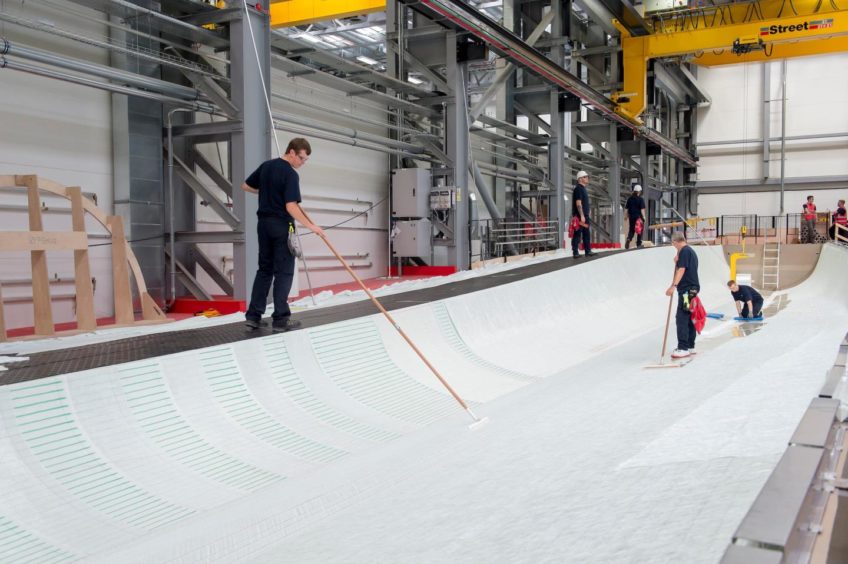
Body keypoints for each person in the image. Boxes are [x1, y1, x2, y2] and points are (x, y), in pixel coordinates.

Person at [242, 138, 324, 332]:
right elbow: (291, 206)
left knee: (264, 270)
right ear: (292, 152)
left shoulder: (266, 166)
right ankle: (280, 318)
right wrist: (312, 226)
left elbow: (245, 186)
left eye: (305, 160)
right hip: (281, 225)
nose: (302, 163)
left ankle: (253, 316)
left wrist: (268, 193)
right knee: (284, 271)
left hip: (263, 225)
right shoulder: (290, 174)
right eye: (301, 159)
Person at [665, 232, 700, 359]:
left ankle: (683, 347)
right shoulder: (690, 251)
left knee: (682, 317)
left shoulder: (685, 251)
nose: (675, 247)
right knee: (689, 316)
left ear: (675, 242)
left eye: (674, 245)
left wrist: (673, 286)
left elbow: (681, 270)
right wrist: (677, 258)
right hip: (692, 289)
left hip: (687, 290)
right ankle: (690, 346)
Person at [571, 170, 595, 258]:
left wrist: (587, 211)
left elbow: (583, 202)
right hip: (580, 217)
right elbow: (578, 203)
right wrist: (581, 215)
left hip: (584, 216)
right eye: (585, 177)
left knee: (586, 233)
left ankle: (588, 251)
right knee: (577, 233)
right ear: (580, 179)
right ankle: (575, 252)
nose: (587, 178)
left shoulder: (583, 189)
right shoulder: (578, 189)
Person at [624, 184, 647, 249]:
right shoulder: (640, 199)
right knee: (639, 230)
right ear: (639, 191)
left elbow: (626, 209)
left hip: (631, 217)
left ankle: (629, 238)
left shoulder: (629, 199)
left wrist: (625, 216)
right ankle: (638, 244)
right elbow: (642, 210)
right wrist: (644, 217)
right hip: (638, 217)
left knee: (631, 229)